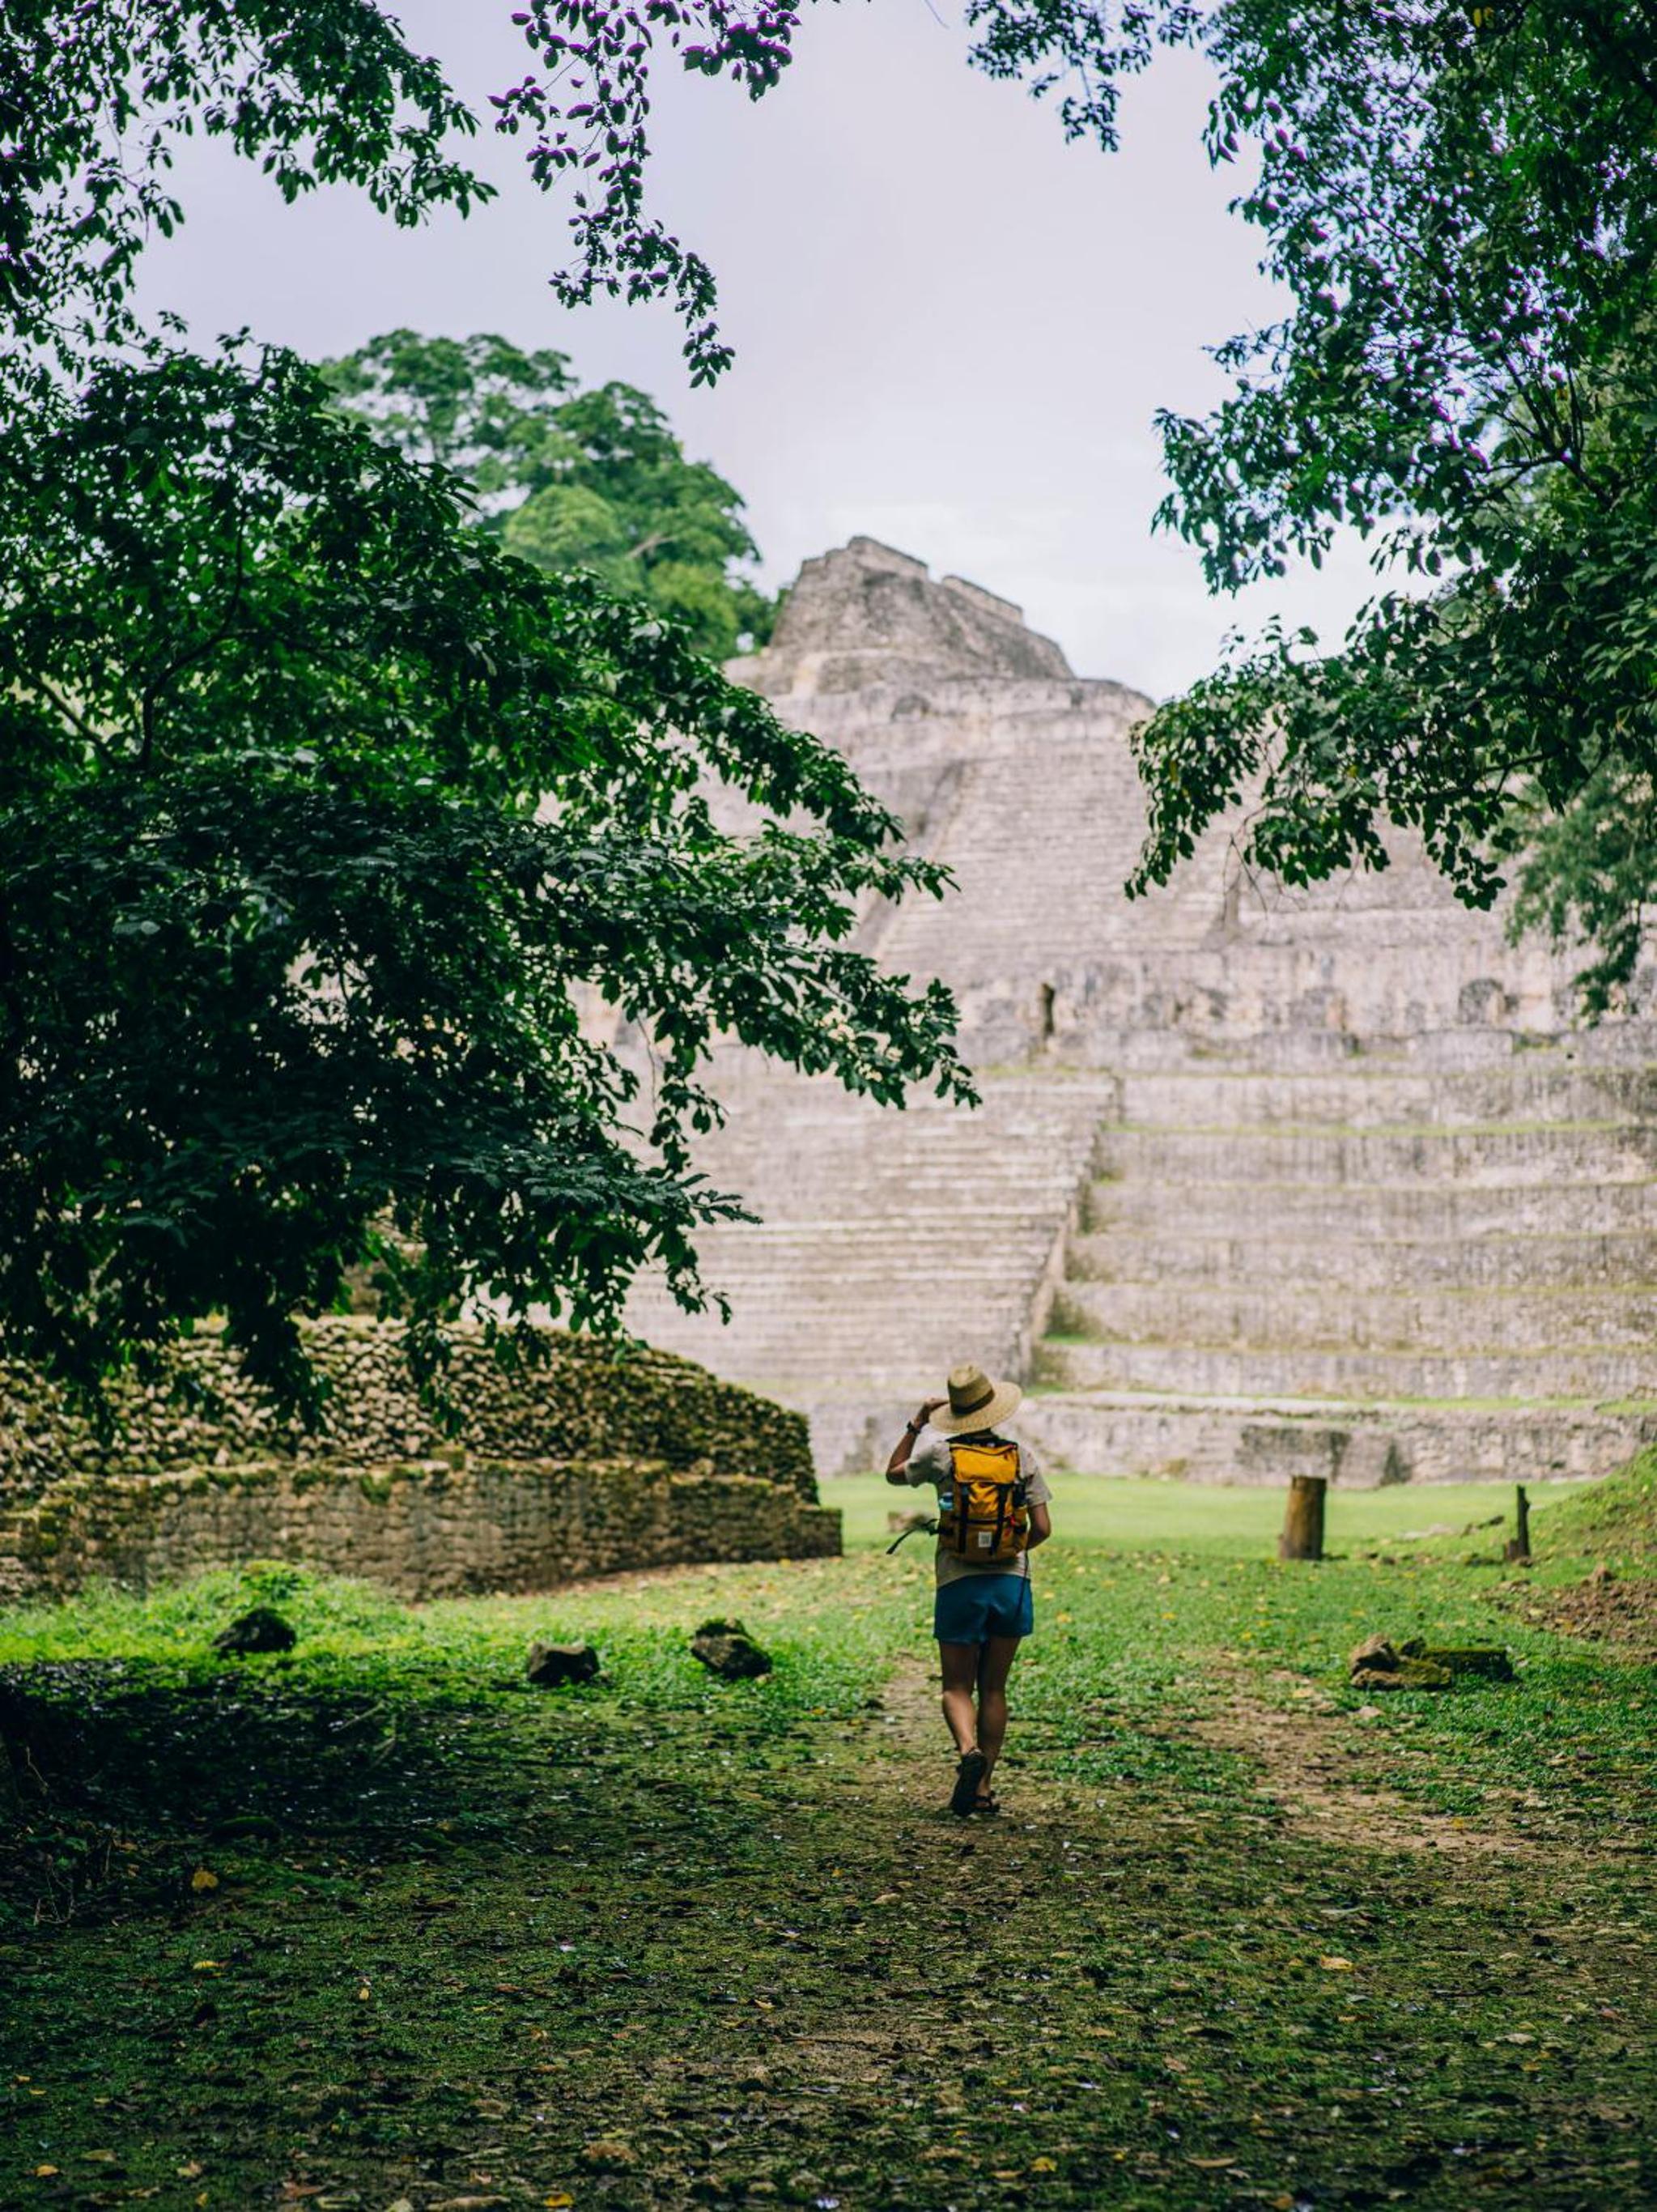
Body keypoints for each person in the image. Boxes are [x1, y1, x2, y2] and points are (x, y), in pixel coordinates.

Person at [886, 1361, 1052, 1817]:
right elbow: (1042, 1527)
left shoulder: (941, 1455)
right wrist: (1008, 1550)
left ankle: (966, 1753)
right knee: (994, 1689)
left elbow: (893, 1471)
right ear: (994, 1409)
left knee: (956, 1685)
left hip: (959, 1582)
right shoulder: (1020, 1457)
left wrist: (916, 1422)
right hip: (1011, 1583)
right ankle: (983, 1790)